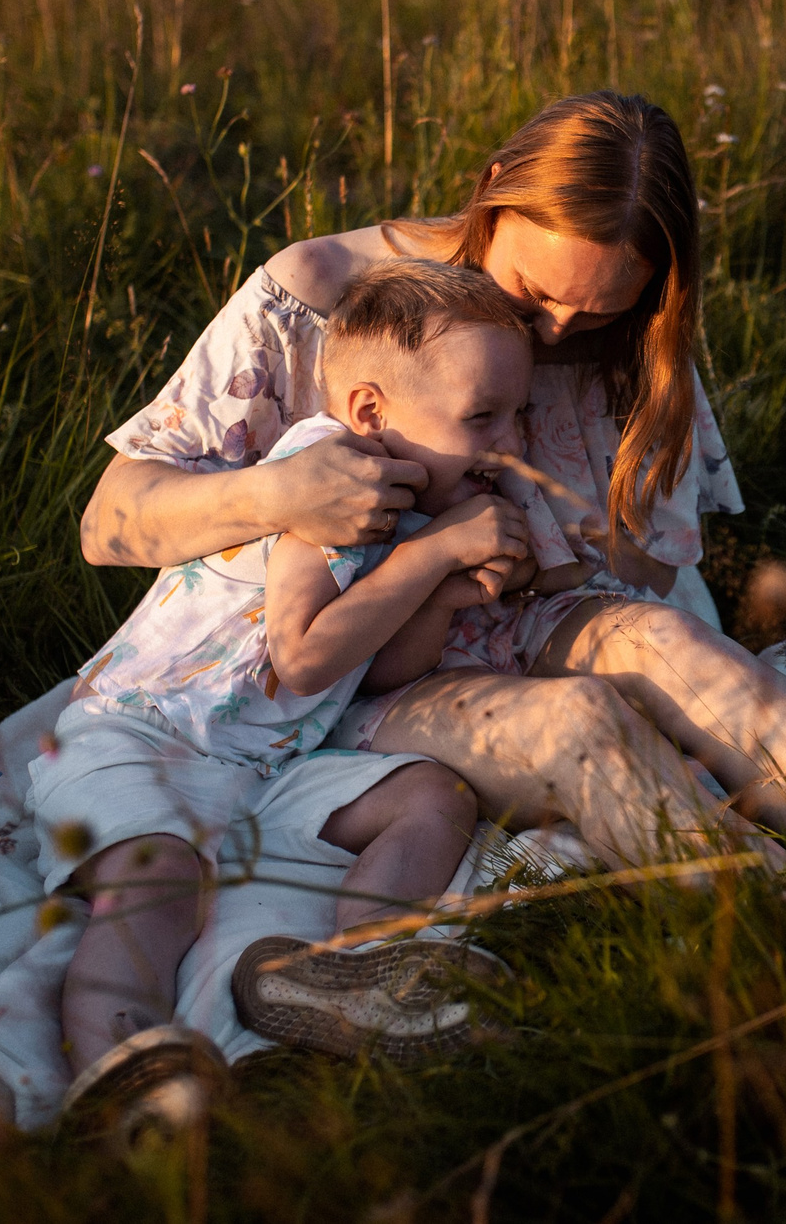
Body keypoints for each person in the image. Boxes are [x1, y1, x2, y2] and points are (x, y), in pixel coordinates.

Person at [83, 92, 786, 1016]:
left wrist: (537, 559)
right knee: (581, 727)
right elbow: (110, 521)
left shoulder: (626, 337)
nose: (558, 337)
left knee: (672, 647)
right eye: (533, 299)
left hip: (517, 613)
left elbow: (644, 569)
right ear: (489, 201)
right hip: (346, 680)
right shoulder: (320, 295)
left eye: (600, 315)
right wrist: (278, 491)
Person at [39, 259, 551, 1131]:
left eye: (519, 416)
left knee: (433, 796)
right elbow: (305, 657)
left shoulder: (424, 508)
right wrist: (429, 559)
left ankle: (356, 970)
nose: (511, 445)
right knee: (159, 881)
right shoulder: (328, 476)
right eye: (483, 418)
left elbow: (378, 669)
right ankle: (121, 1063)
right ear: (369, 412)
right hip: (142, 734)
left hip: (267, 764)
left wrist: (445, 590)